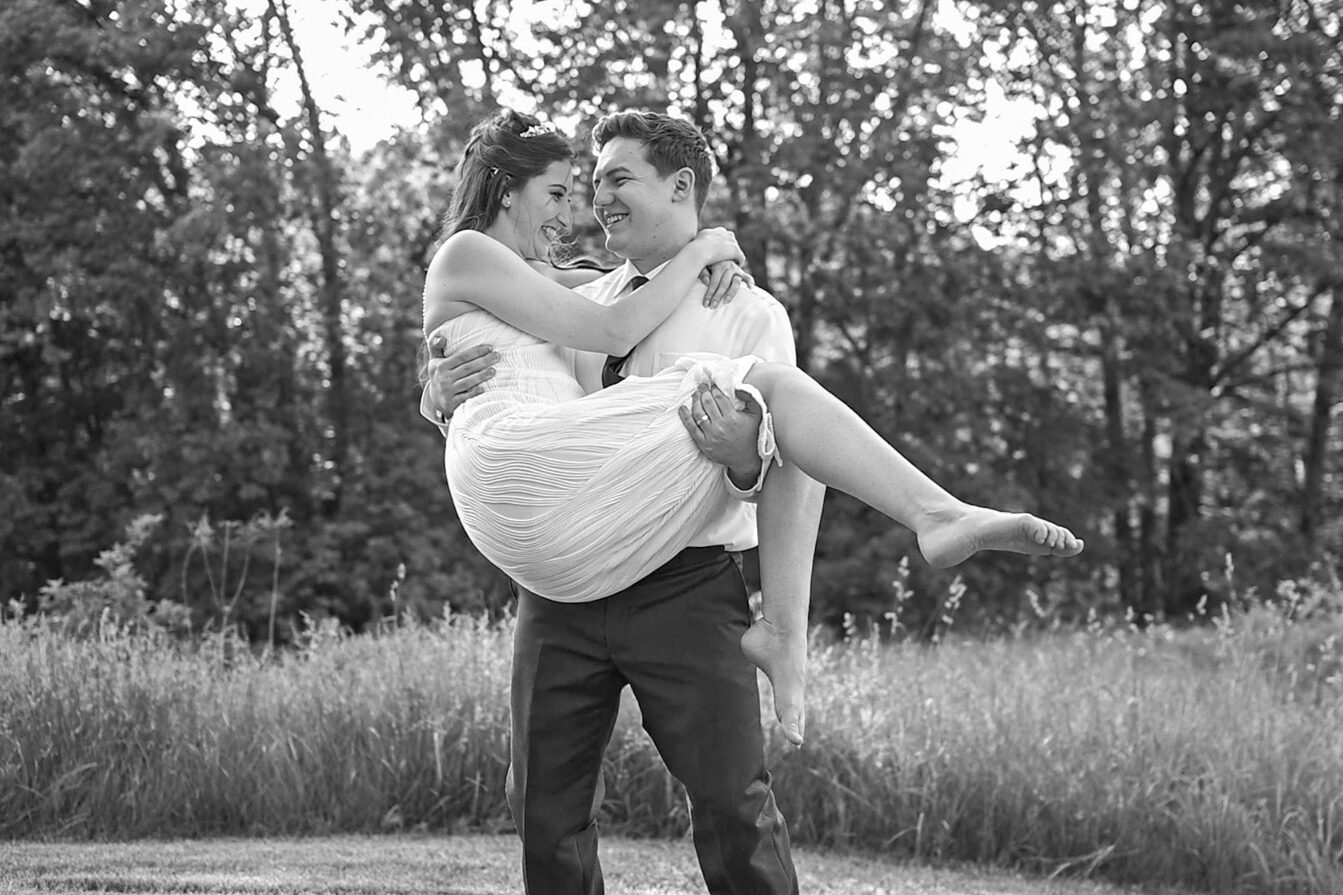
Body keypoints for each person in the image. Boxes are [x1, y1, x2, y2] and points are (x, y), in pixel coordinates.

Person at [422, 109, 1082, 894]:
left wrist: (744, 462)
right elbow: (493, 357)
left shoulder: (745, 310)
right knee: (542, 807)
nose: (593, 204)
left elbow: (787, 471)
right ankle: (935, 514)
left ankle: (928, 525)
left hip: (685, 585)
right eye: (582, 186)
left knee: (734, 806)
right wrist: (430, 391)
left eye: (613, 180)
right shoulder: (580, 290)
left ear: (681, 186)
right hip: (562, 585)